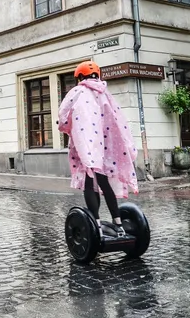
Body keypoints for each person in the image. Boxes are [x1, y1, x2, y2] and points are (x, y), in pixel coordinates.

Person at [58, 61, 139, 238]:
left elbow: (63, 116)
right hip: (107, 147)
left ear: (80, 76)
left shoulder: (78, 91)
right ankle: (118, 224)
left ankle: (96, 225)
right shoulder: (106, 93)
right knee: (104, 182)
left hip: (86, 143)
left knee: (89, 182)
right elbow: (118, 118)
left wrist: (67, 127)